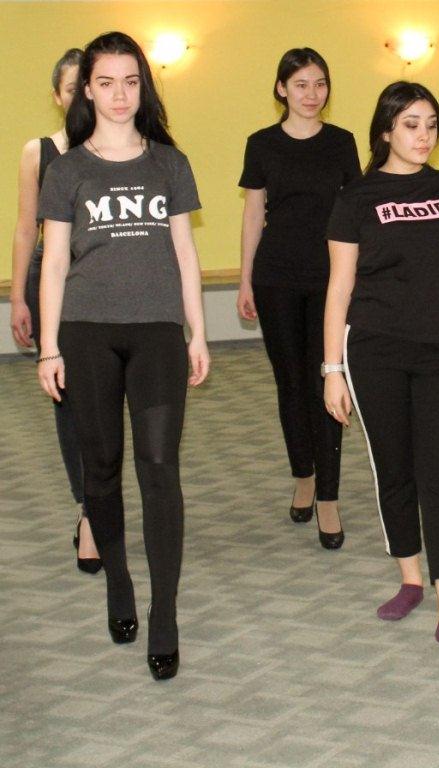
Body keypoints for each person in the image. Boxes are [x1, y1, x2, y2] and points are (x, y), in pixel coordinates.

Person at [37, 31, 210, 681]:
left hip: (157, 333)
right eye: (106, 82)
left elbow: (186, 254)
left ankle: (164, 614)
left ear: (144, 87)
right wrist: (48, 347)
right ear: (87, 89)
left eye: (131, 82)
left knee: (160, 468)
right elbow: (55, 263)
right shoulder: (67, 169)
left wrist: (198, 332)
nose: (119, 94)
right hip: (86, 333)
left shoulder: (169, 163)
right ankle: (118, 581)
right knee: (102, 468)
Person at [323, 81, 439, 663]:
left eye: (431, 125)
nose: (424, 136)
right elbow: (339, 288)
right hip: (376, 349)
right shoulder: (357, 197)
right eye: (411, 125)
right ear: (386, 130)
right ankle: (410, 578)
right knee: (395, 470)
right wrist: (331, 368)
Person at [238, 48, 360, 548]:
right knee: (290, 384)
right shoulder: (261, 144)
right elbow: (253, 214)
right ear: (281, 89)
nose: (312, 94)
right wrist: (245, 279)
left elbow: (355, 212)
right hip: (276, 278)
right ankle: (304, 475)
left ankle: (329, 495)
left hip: (332, 279)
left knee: (327, 381)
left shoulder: (342, 142)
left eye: (320, 84)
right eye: (302, 84)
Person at [9, 48, 97, 573]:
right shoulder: (38, 152)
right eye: (71, 90)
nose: (81, 97)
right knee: (68, 398)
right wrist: (18, 295)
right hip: (52, 280)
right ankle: (88, 509)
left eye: (88, 87)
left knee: (107, 397)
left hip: (105, 279)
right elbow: (26, 227)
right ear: (58, 96)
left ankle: (104, 499)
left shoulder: (120, 148)